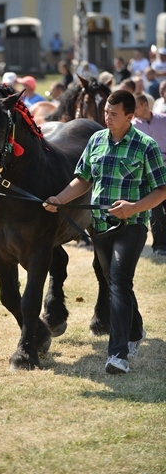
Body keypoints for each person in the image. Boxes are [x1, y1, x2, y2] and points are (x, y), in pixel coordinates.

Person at [43, 89, 166, 374]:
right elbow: (82, 179)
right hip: (98, 225)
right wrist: (59, 199)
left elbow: (162, 190)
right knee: (116, 281)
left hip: (130, 226)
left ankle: (118, 354)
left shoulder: (145, 146)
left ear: (130, 116)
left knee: (119, 282)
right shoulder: (96, 140)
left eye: (113, 114)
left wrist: (134, 207)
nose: (106, 119)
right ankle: (135, 331)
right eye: (105, 114)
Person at [132, 93, 166, 255]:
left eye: (136, 106)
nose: (133, 111)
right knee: (155, 209)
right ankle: (159, 245)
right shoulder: (133, 127)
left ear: (145, 104)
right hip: (149, 173)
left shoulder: (163, 119)